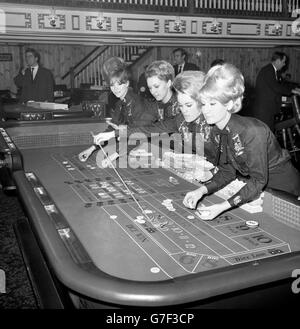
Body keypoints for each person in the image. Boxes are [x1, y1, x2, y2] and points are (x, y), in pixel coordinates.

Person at [183, 63, 300, 220]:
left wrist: (222, 206)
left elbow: (259, 180)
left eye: (212, 104)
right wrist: (202, 190)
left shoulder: (252, 131)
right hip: (258, 188)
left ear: (229, 104)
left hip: (284, 190)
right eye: (203, 104)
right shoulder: (217, 131)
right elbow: (227, 171)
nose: (206, 110)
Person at [78, 57, 154, 161]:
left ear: (127, 83)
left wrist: (114, 156)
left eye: (119, 84)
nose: (116, 89)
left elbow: (137, 134)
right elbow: (112, 128)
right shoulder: (120, 104)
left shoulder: (137, 103)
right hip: (131, 148)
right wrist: (91, 149)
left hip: (149, 148)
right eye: (112, 85)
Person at [253, 51, 300, 131]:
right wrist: (292, 90)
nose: (284, 64)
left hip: (267, 109)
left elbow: (281, 85)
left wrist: (294, 88)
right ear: (278, 61)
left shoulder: (271, 70)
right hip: (264, 111)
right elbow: (276, 87)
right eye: (283, 62)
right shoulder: (268, 70)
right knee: (267, 134)